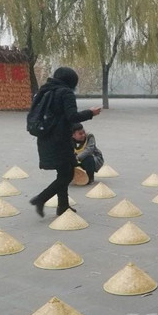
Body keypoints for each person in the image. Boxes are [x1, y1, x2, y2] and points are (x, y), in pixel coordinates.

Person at [29, 67, 101, 217]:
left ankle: (63, 206)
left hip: (45, 137)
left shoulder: (46, 90)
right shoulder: (65, 92)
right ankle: (41, 199)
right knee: (67, 175)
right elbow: (72, 116)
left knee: (64, 171)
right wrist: (90, 113)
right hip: (59, 140)